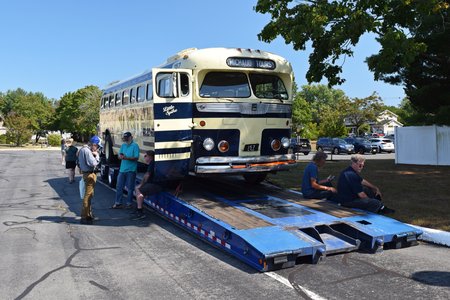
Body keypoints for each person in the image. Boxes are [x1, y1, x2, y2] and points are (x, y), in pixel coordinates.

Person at [112, 132, 140, 209]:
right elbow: (119, 156)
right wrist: (120, 157)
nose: (125, 140)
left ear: (131, 137)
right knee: (119, 186)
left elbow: (136, 158)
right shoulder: (123, 145)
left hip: (131, 170)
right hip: (122, 169)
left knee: (130, 188)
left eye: (127, 138)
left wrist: (126, 158)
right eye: (125, 138)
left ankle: (129, 203)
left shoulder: (135, 146)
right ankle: (118, 203)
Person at [77, 136, 101, 224]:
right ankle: (85, 216)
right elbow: (93, 163)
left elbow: (78, 162)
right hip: (90, 174)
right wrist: (97, 156)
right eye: (97, 146)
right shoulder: (87, 151)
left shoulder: (82, 149)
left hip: (85, 173)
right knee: (88, 195)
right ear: (94, 144)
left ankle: (88, 214)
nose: (97, 148)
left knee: (88, 195)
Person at [132, 150, 161, 220]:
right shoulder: (154, 163)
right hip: (154, 183)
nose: (144, 157)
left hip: (155, 184)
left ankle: (140, 211)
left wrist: (141, 185)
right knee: (137, 188)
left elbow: (147, 175)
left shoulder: (152, 163)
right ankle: (138, 207)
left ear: (150, 157)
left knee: (138, 189)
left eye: (145, 156)